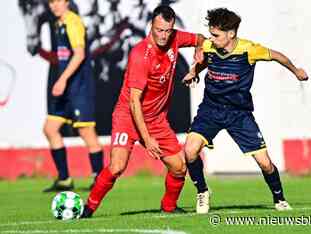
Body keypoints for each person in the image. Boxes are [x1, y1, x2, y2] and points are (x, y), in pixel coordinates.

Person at [80, 5, 205, 218]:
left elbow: (201, 38)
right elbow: (134, 102)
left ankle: (168, 207)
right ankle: (88, 209)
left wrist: (198, 50)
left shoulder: (175, 38)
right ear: (151, 26)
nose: (164, 35)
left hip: (156, 119)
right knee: (117, 167)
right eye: (159, 30)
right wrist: (147, 139)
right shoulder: (140, 55)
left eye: (168, 30)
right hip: (127, 117)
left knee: (178, 166)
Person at [182, 8, 308, 214]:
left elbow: (278, 56)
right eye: (211, 34)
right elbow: (205, 60)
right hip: (210, 109)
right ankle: (202, 192)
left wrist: (296, 71)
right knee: (189, 151)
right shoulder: (209, 46)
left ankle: (279, 199)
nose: (211, 40)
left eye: (216, 35)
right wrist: (193, 72)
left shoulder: (249, 49)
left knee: (265, 164)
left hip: (238, 113)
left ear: (231, 34)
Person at [43, 0, 104, 192]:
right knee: (50, 129)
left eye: (58, 1)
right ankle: (64, 179)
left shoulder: (73, 22)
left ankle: (99, 179)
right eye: (51, 2)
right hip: (66, 89)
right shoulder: (58, 23)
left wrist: (61, 80)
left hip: (79, 88)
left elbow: (79, 54)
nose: (54, 6)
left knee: (86, 132)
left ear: (67, 2)